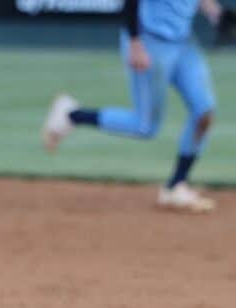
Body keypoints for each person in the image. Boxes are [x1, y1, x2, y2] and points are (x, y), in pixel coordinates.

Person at [41, 0, 223, 212]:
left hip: (183, 43)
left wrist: (215, 12)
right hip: (149, 42)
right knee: (145, 127)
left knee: (204, 112)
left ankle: (176, 186)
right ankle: (72, 115)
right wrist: (136, 44)